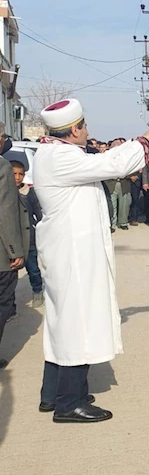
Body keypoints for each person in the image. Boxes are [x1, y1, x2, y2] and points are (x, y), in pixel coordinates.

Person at [34, 98, 149, 422]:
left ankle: (54, 394)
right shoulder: (61, 157)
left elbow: (104, 162)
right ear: (73, 130)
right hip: (73, 257)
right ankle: (70, 403)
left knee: (62, 323)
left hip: (68, 252)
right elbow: (112, 164)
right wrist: (145, 140)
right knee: (78, 324)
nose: (88, 131)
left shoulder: (54, 153)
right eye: (84, 126)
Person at [0, 122, 28, 370]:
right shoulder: (2, 166)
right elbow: (6, 212)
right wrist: (15, 250)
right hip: (2, 255)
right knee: (3, 303)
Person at [11, 160, 44, 309]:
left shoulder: (28, 192)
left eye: (21, 174)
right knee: (9, 274)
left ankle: (37, 291)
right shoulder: (4, 191)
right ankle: (9, 304)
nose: (17, 177)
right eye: (14, 174)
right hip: (11, 240)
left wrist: (41, 227)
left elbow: (38, 211)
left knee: (33, 269)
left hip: (29, 237)